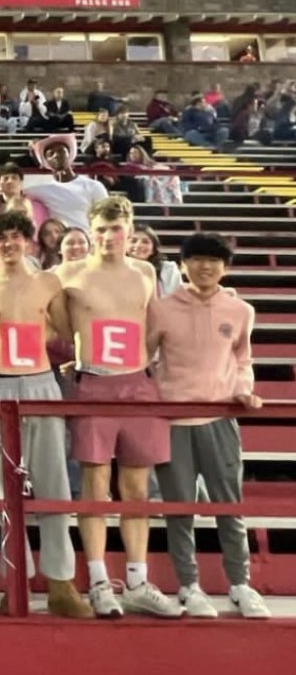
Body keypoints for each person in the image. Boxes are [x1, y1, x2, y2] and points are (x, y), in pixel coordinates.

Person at [55, 195, 183, 618]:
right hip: (93, 384)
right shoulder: (67, 273)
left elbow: (152, 325)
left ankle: (137, 579)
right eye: (102, 229)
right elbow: (50, 321)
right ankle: (96, 580)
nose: (109, 236)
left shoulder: (146, 271)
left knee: (135, 488)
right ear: (91, 231)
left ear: (130, 230)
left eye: (117, 228)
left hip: (137, 384)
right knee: (94, 486)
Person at [0, 211, 93, 618]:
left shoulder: (48, 282)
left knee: (54, 486)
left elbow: (65, 331)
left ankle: (61, 583)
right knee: (8, 493)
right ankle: (14, 582)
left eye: (15, 237)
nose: (9, 244)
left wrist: (37, 335)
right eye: (1, 238)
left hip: (40, 382)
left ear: (28, 241)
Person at [148, 233, 270, 619]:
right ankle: (189, 586)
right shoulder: (161, 308)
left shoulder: (240, 310)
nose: (205, 267)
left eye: (214, 261)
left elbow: (243, 359)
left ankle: (240, 585)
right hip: (172, 421)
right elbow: (144, 358)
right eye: (197, 259)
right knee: (179, 510)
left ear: (225, 267)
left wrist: (243, 391)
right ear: (183, 265)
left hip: (220, 419)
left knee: (229, 507)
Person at [25, 134, 109, 231]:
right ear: (46, 162)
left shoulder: (93, 186)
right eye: (50, 154)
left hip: (88, 241)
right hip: (62, 243)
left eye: (61, 151)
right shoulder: (42, 189)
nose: (56, 155)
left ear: (69, 154)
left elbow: (106, 217)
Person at [127, 226, 182, 297]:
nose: (138, 245)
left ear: (153, 250)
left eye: (145, 242)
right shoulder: (115, 270)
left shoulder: (168, 269)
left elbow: (176, 298)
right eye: (133, 241)